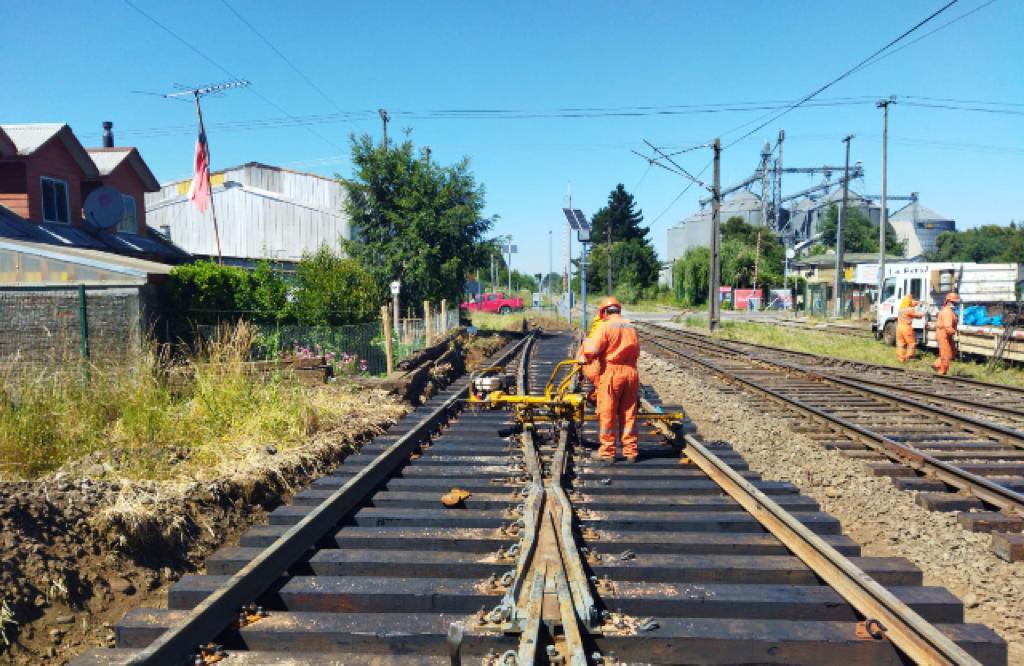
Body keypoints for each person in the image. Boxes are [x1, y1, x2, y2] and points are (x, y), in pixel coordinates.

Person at [580, 296, 640, 463]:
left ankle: (607, 453)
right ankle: (630, 452)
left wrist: (585, 346)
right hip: (631, 373)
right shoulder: (630, 326)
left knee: (607, 412)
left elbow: (592, 350)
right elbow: (637, 351)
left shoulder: (605, 326)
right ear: (618, 310)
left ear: (604, 312)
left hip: (613, 373)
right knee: (629, 413)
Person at [933, 292, 959, 375]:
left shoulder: (949, 310)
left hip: (946, 334)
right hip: (943, 334)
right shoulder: (947, 312)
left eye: (955, 302)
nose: (955, 303)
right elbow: (948, 327)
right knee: (946, 353)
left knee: (952, 351)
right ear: (948, 301)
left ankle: (937, 364)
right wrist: (955, 332)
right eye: (953, 302)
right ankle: (942, 372)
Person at [896, 294, 923, 363]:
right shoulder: (910, 310)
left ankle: (901, 359)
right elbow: (918, 315)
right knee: (911, 343)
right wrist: (923, 313)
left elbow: (911, 303)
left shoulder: (900, 308)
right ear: (909, 302)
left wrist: (918, 302)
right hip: (906, 328)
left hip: (899, 328)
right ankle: (910, 357)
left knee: (900, 344)